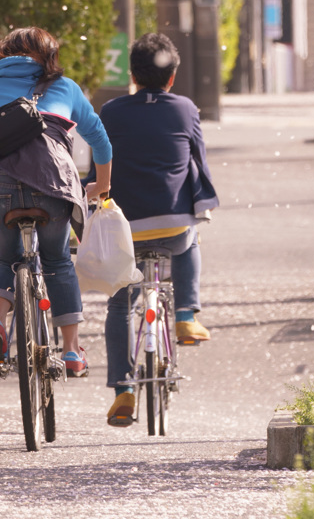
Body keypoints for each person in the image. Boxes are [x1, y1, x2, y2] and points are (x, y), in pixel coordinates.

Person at [0, 27, 111, 377]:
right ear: (50, 57)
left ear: (3, 56)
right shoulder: (66, 88)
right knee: (57, 262)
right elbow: (100, 140)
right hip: (53, 183)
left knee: (5, 258)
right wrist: (102, 184)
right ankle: (71, 351)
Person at [87, 32, 219, 426]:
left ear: (132, 75)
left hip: (125, 231)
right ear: (172, 77)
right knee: (190, 239)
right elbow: (198, 158)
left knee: (118, 303)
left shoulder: (109, 112)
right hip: (172, 225)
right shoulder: (185, 109)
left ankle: (123, 389)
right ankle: (184, 314)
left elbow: (96, 168)